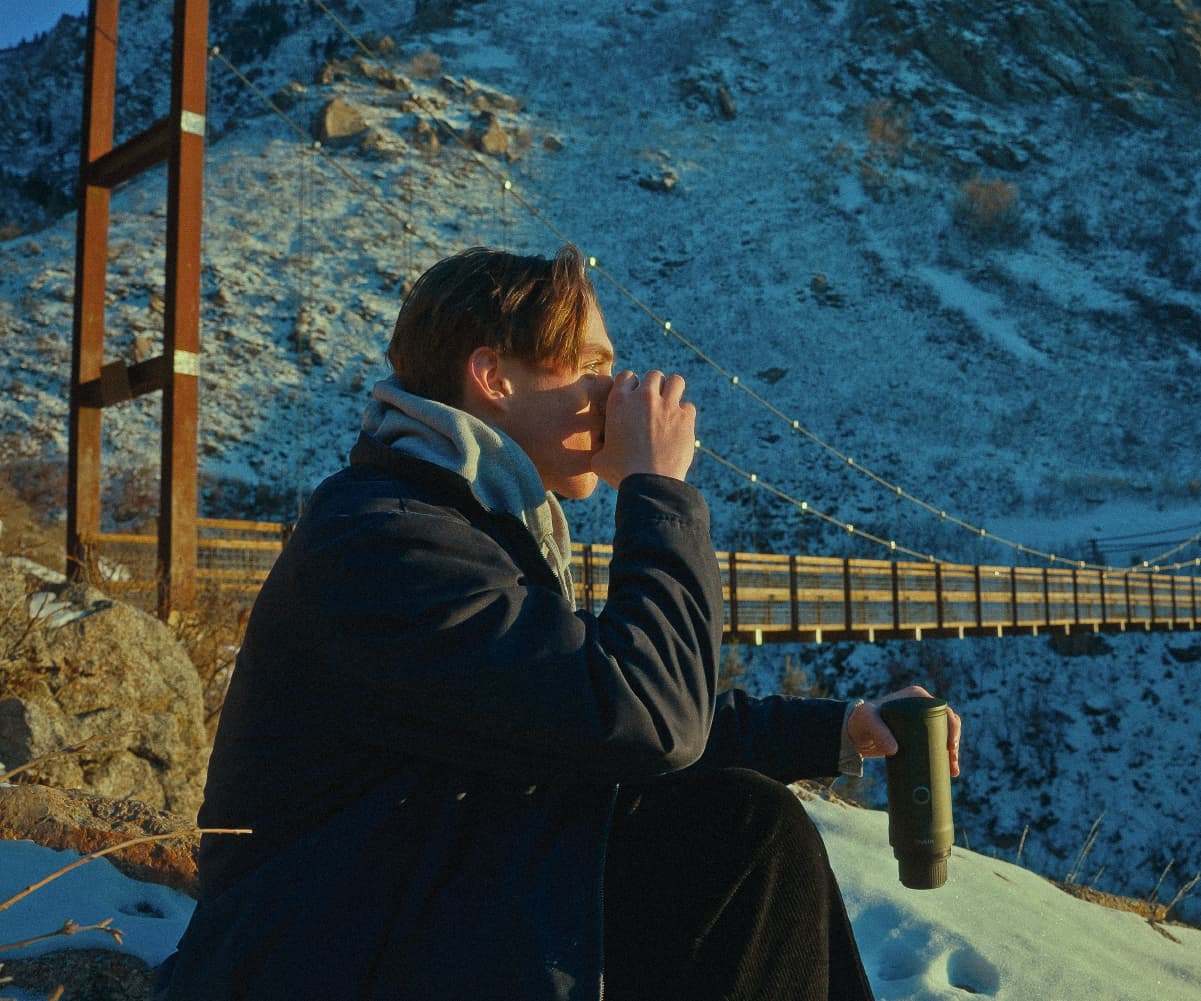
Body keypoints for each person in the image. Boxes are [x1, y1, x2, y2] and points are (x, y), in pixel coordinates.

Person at [156, 244, 962, 1001]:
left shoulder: (458, 520)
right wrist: (656, 489)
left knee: (734, 825)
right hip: (313, 955)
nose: (615, 393)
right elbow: (644, 720)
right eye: (591, 367)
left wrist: (838, 729)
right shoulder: (387, 538)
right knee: (742, 835)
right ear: (492, 377)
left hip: (399, 907)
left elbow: (585, 706)